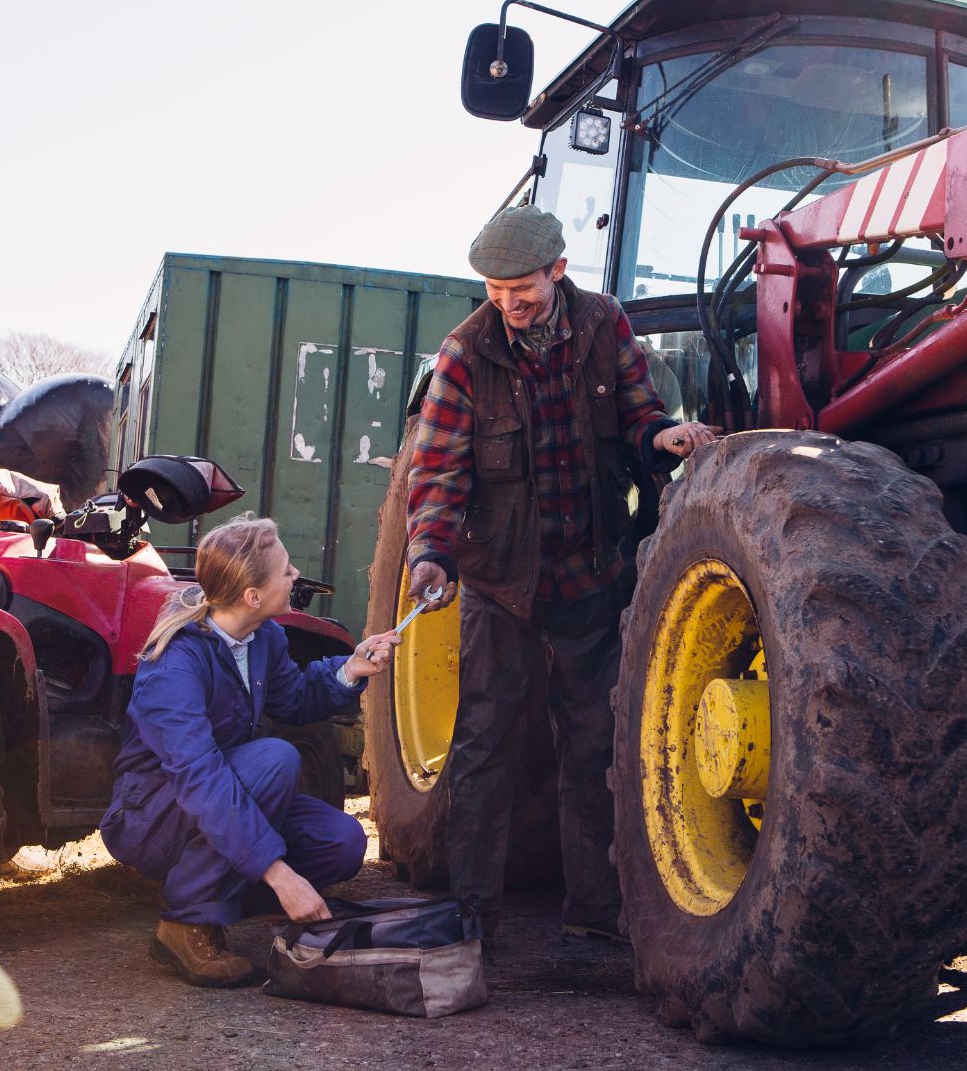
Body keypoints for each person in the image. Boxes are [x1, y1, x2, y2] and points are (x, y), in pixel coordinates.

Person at [406, 205, 717, 945]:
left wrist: (664, 435)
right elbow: (439, 471)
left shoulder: (606, 325)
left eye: (523, 287)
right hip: (500, 585)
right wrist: (428, 555)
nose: (509, 303)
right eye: (495, 289)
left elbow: (640, 415)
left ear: (559, 271)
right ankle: (474, 915)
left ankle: (596, 912)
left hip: (587, 572)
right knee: (485, 744)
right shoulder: (464, 354)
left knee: (595, 739)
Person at [101, 516, 401, 987]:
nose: (296, 575)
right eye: (286, 570)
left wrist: (353, 668)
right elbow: (202, 781)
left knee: (342, 843)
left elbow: (296, 698)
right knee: (275, 760)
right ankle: (184, 923)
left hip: (220, 795)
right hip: (154, 815)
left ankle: (219, 900)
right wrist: (281, 875)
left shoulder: (263, 638)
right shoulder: (175, 662)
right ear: (252, 596)